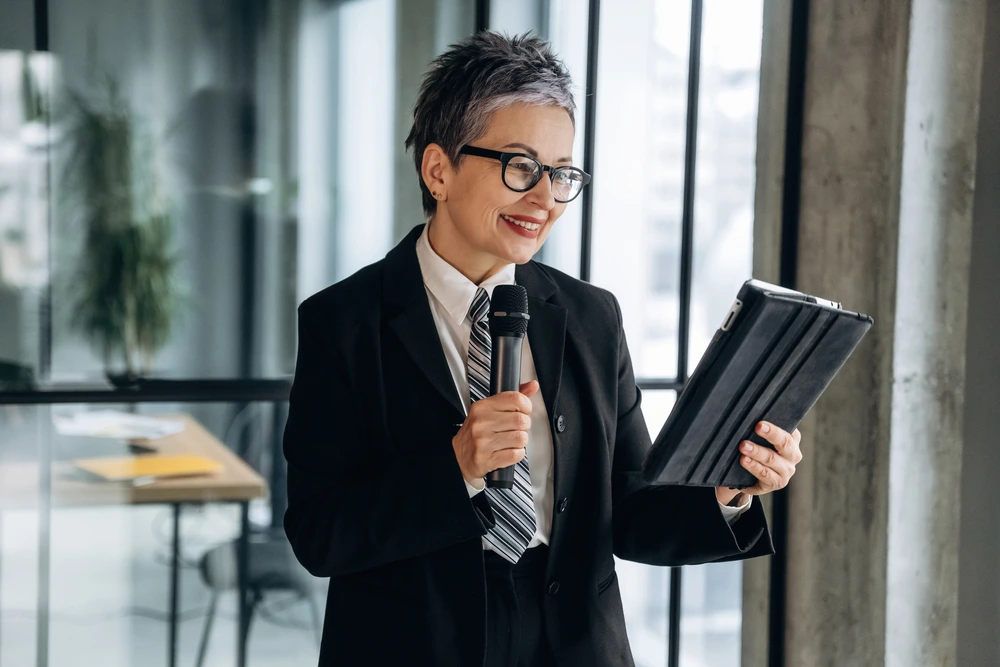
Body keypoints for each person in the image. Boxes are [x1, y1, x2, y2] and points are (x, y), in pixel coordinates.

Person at [283, 31, 802, 667]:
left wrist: (727, 489)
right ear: (438, 169)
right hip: (416, 644)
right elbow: (319, 535)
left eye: (561, 174)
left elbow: (631, 508)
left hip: (573, 643)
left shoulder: (590, 315)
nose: (545, 199)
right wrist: (456, 466)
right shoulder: (344, 321)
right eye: (522, 167)